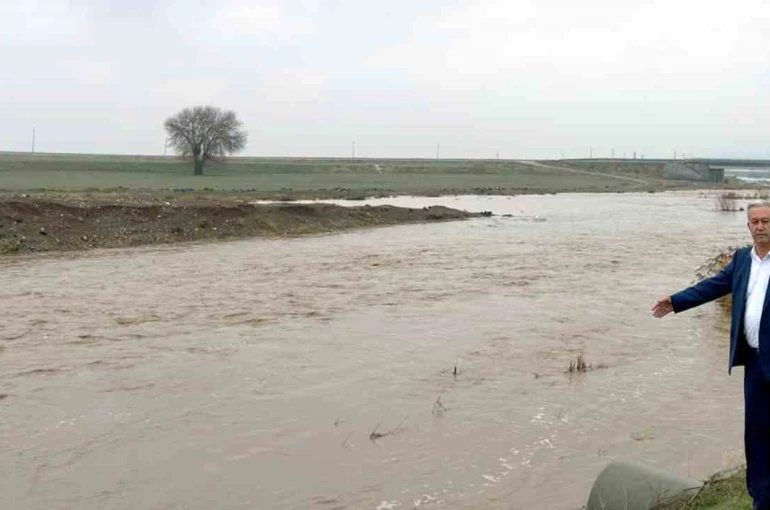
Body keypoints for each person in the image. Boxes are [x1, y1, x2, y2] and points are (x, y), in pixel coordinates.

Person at [652, 201, 770, 510]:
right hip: (756, 363)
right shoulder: (742, 260)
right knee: (756, 434)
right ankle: (761, 498)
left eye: (766, 221)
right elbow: (713, 286)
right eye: (755, 222)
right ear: (748, 227)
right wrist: (676, 301)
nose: (760, 226)